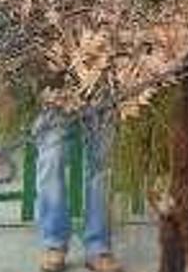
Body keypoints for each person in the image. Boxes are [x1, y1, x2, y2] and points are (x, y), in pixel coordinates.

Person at [35, 106, 122, 272]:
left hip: (103, 90)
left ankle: (98, 247)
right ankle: (54, 243)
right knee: (51, 157)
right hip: (56, 91)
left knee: (102, 164)